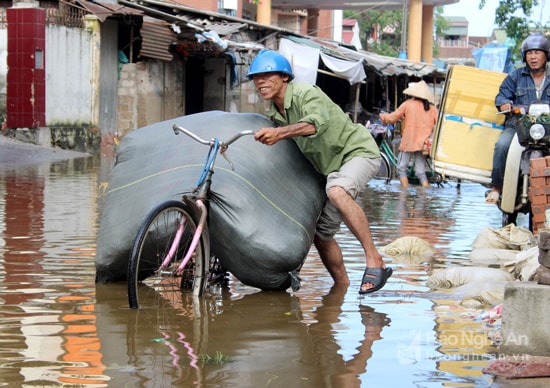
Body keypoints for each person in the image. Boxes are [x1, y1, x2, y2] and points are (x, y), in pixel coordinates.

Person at [246, 50, 392, 294]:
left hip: (357, 152)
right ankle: (341, 289)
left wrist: (279, 133)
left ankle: (374, 258)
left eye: (266, 75)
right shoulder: (274, 114)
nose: (260, 81)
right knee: (321, 235)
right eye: (256, 77)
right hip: (330, 169)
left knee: (336, 191)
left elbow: (315, 123)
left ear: (284, 77)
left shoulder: (306, 94)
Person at [486, 34, 550, 204]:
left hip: (547, 129)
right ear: (524, 56)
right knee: (502, 145)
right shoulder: (515, 76)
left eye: (537, 52)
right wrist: (505, 104)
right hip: (518, 126)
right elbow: (501, 96)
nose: (533, 57)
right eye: (530, 53)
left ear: (546, 55)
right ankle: (496, 187)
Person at [379, 80, 438, 188]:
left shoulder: (408, 104)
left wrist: (383, 117)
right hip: (423, 144)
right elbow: (438, 124)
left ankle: (404, 194)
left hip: (409, 142)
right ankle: (426, 193)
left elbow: (392, 118)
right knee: (420, 171)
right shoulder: (433, 108)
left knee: (401, 168)